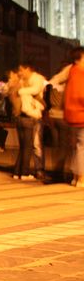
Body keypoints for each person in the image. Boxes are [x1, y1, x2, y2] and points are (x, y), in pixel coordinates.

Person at [63, 47, 84, 187]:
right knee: (82, 148)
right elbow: (80, 95)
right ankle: (81, 178)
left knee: (78, 147)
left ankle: (76, 177)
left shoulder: (71, 72)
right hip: (81, 115)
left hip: (72, 116)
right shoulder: (79, 73)